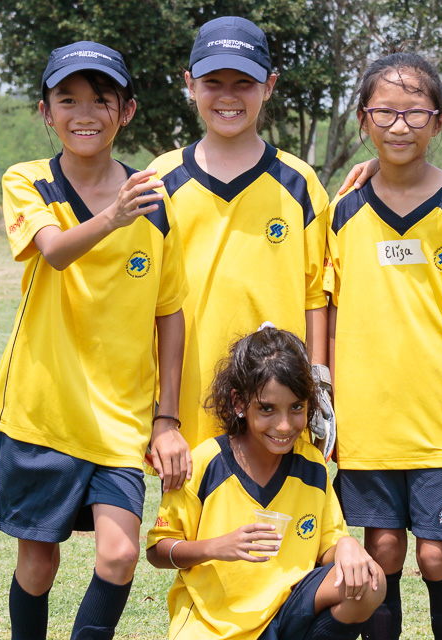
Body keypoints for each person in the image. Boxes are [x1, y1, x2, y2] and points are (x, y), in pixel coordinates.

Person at [0, 42, 191, 640]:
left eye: (101, 100)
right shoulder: (29, 180)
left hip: (120, 418)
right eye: (66, 99)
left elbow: (170, 312)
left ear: (125, 111)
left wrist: (166, 417)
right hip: (41, 411)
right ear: (46, 113)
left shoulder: (155, 201)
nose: (84, 113)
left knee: (120, 556)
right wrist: (112, 217)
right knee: (38, 565)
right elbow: (52, 251)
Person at [326, 52, 442, 640]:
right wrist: (325, 402)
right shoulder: (341, 210)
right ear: (363, 120)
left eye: (416, 112)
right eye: (385, 112)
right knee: (382, 549)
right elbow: (327, 309)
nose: (400, 126)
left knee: (436, 553)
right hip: (365, 417)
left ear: (439, 121)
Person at [148, 16, 339, 451]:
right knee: (199, 494)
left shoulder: (300, 182)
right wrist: (162, 411)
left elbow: (316, 296)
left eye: (245, 83)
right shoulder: (161, 179)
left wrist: (318, 388)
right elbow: (146, 301)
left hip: (281, 404)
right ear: (189, 84)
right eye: (213, 82)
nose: (228, 96)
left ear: (269, 86)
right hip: (188, 401)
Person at [147, 326, 384, 640]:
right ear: (239, 403)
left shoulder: (312, 465)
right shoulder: (205, 462)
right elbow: (158, 550)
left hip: (287, 612)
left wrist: (347, 546)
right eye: (267, 409)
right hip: (214, 625)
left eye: (296, 407)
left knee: (370, 581)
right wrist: (216, 547)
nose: (284, 425)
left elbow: (329, 544)